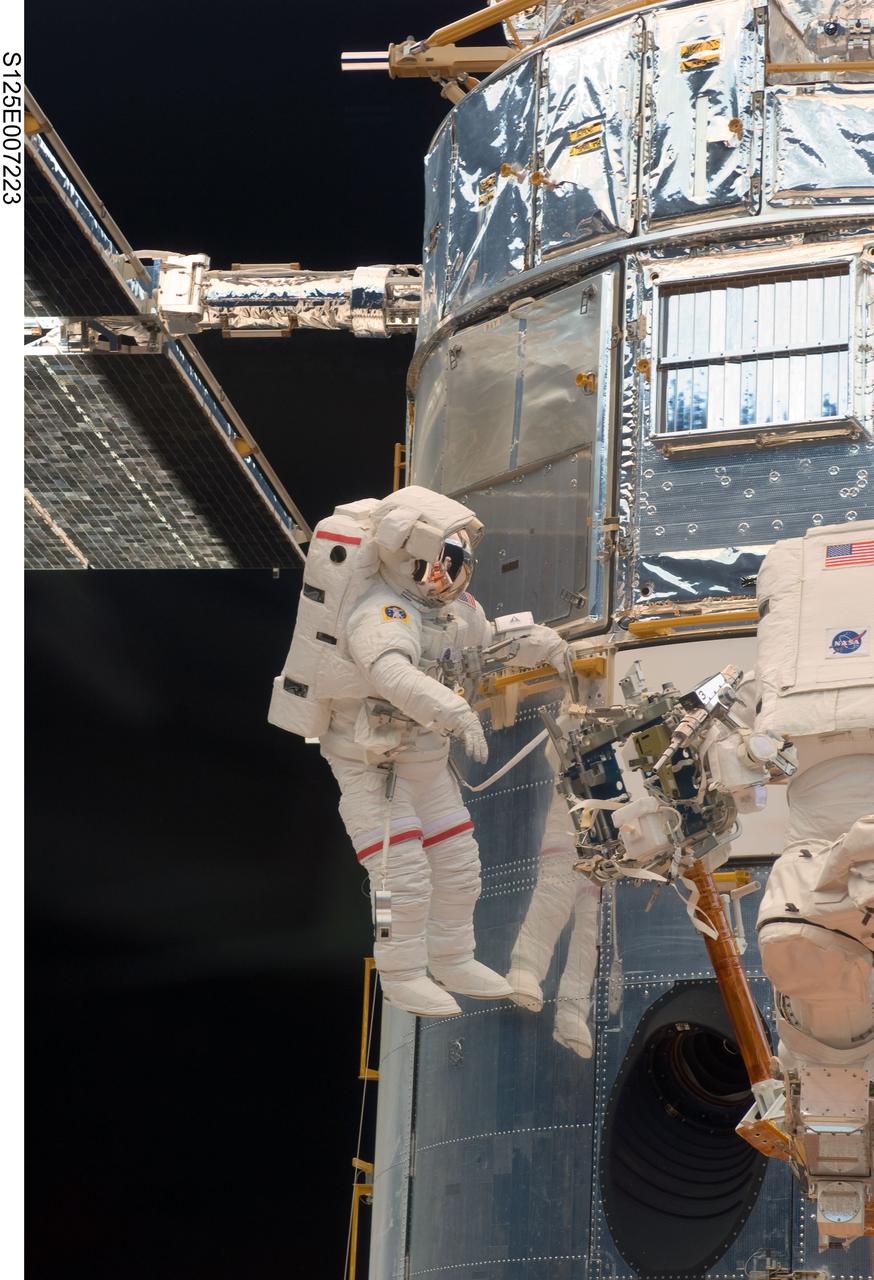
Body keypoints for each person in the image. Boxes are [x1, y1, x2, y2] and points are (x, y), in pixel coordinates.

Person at [279, 485, 569, 1017]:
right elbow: (391, 674)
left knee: (461, 868)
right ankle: (402, 974)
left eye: (455, 566)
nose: (447, 578)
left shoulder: (455, 610)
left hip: (424, 759)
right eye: (436, 566)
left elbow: (490, 644)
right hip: (371, 765)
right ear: (403, 560)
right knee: (402, 878)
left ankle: (454, 958)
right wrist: (455, 712)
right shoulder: (381, 613)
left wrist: (547, 644)